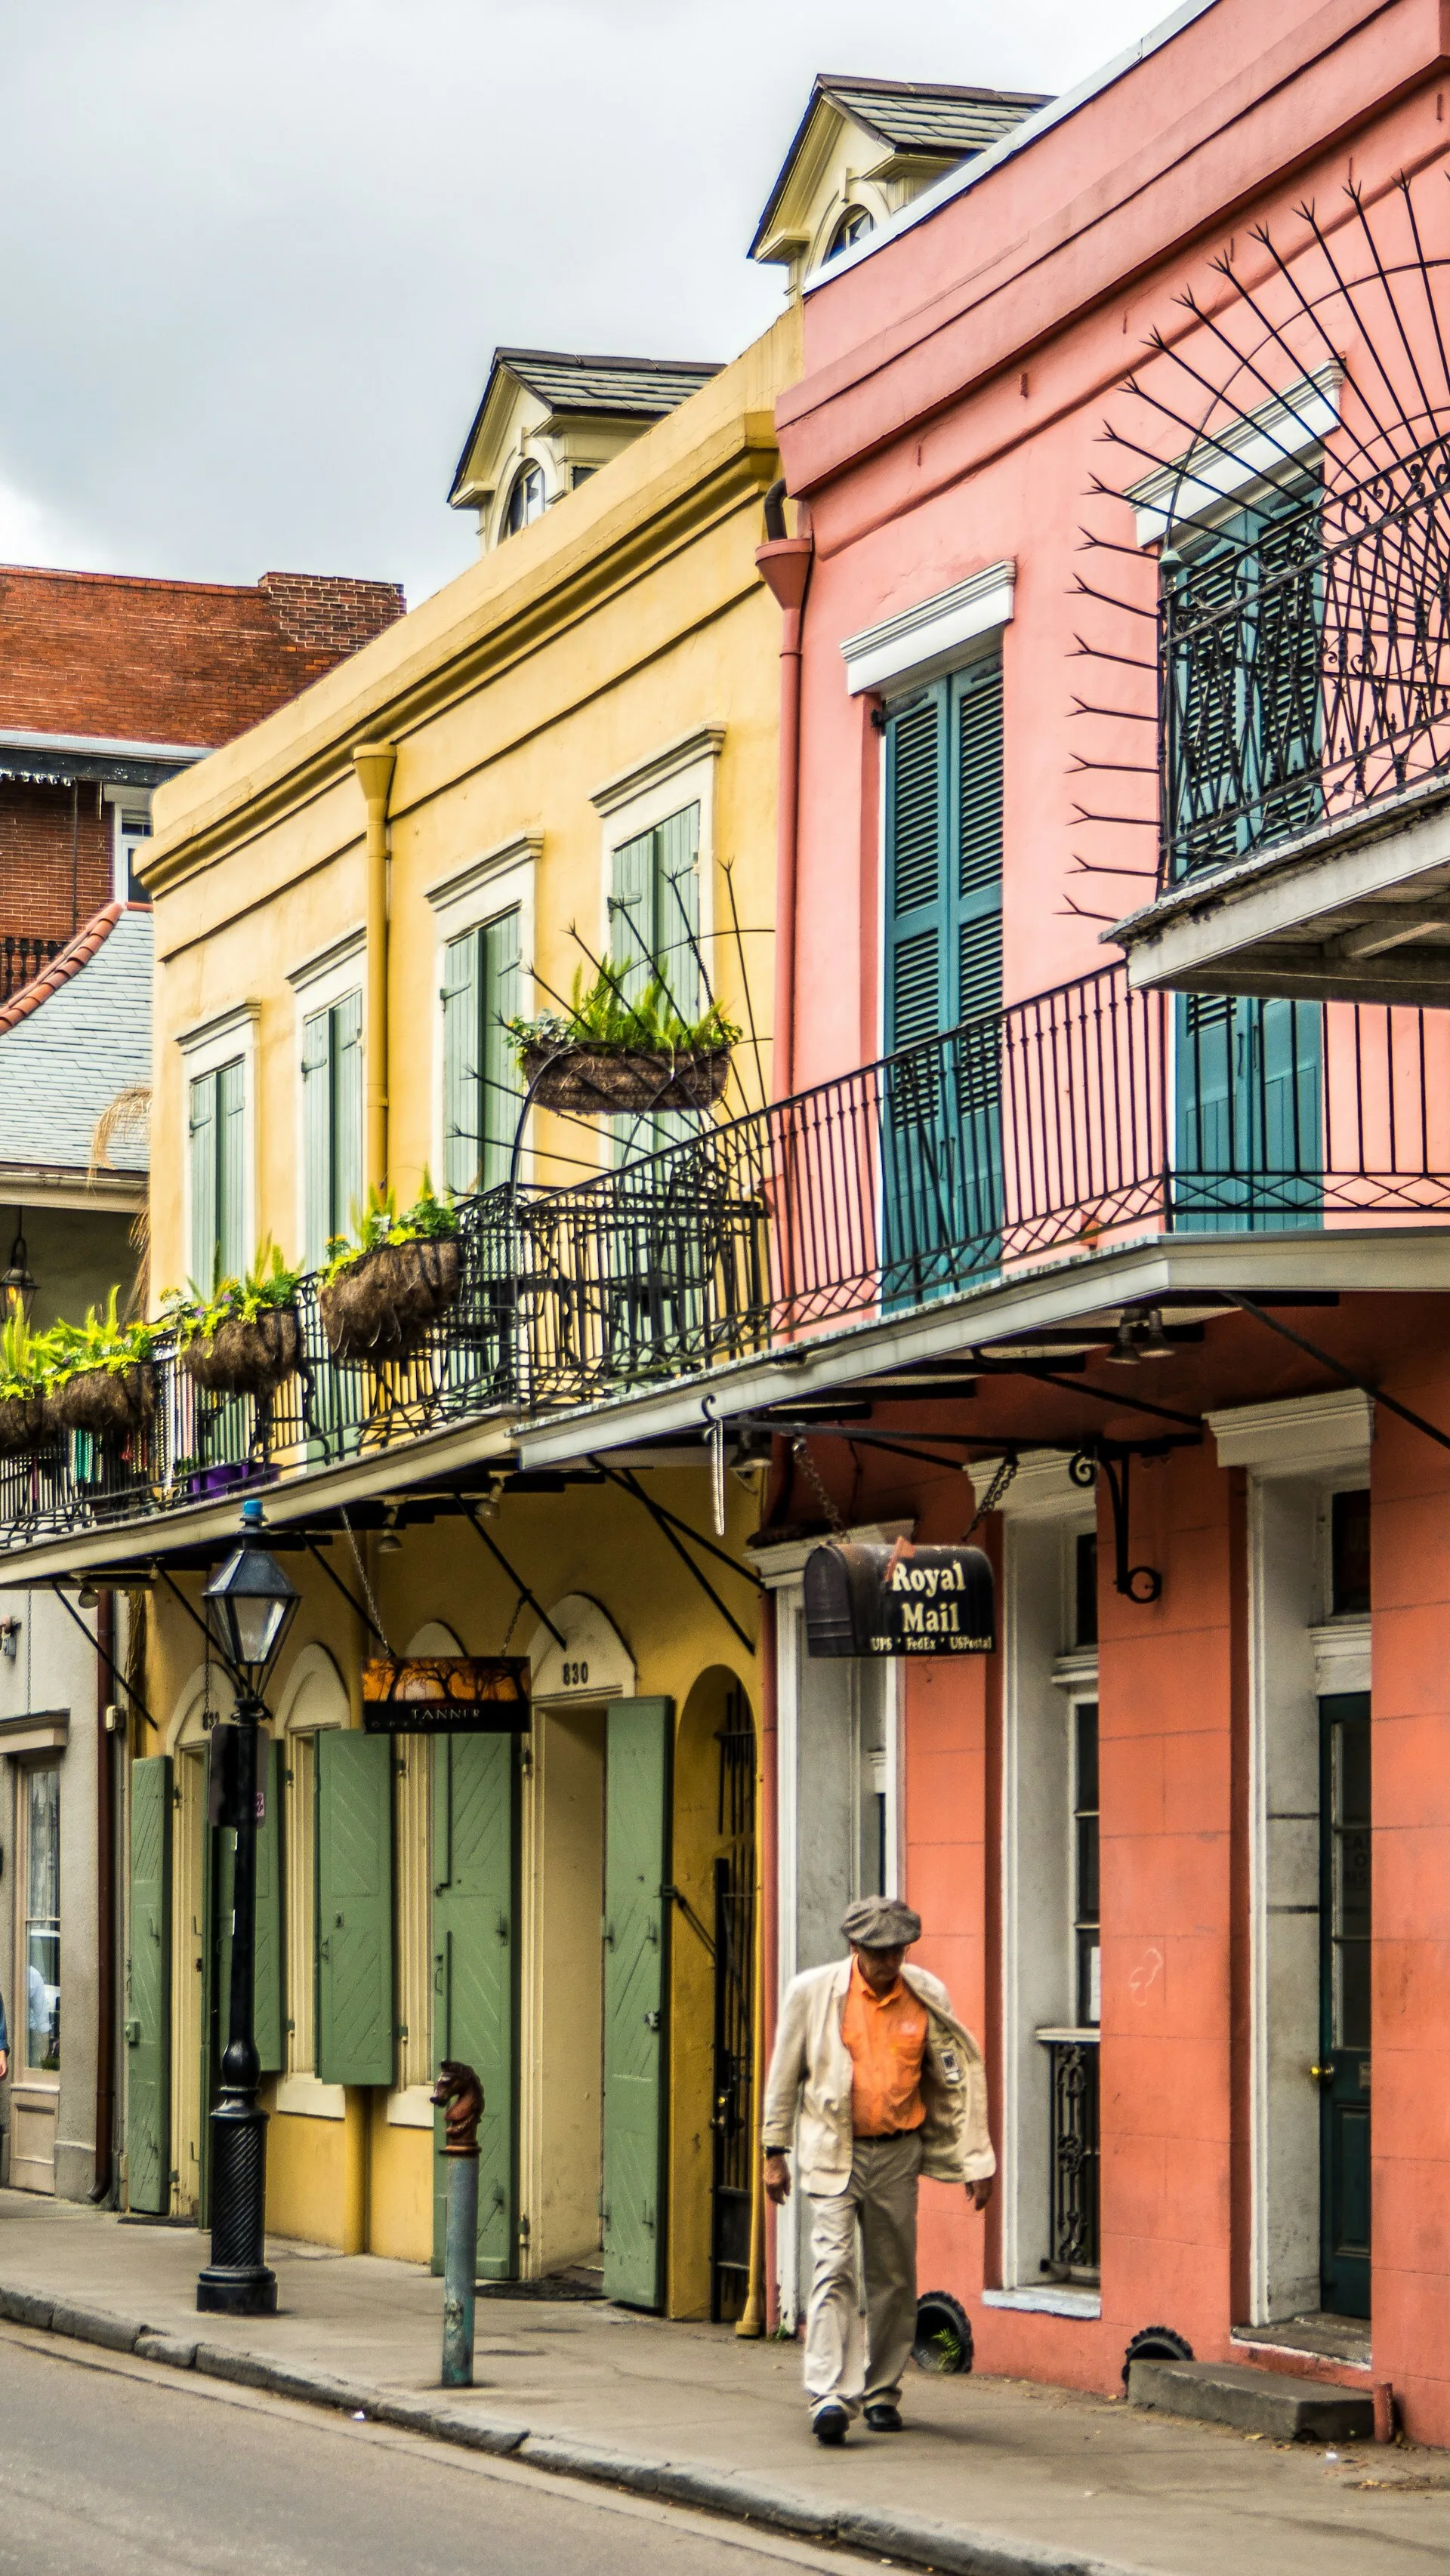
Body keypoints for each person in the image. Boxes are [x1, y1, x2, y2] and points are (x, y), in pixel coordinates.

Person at [761, 1893, 993, 2445]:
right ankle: (830, 2395)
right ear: (854, 1947)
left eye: (897, 1952)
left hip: (897, 2152)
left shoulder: (926, 1993)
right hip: (831, 2148)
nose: (889, 1963)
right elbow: (783, 2073)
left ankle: (883, 2392)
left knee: (893, 2277)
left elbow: (957, 2080)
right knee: (834, 2266)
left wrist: (976, 2158)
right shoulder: (813, 1993)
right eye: (878, 1953)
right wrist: (774, 2150)